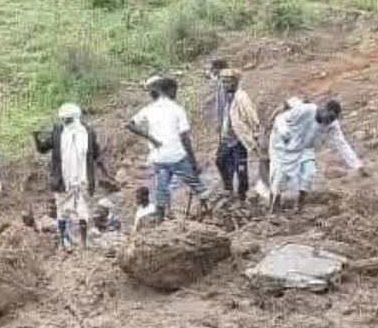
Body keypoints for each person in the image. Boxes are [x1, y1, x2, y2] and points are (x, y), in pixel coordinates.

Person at [127, 76, 209, 222]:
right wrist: (193, 162)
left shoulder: (149, 109)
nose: (175, 94)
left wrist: (150, 138)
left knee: (161, 188)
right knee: (196, 184)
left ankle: (159, 221)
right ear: (168, 90)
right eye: (174, 91)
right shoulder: (177, 109)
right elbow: (184, 138)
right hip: (176, 156)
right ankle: (208, 210)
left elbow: (130, 124)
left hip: (159, 158)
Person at [267, 97, 367, 213]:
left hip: (305, 148)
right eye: (329, 117)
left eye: (332, 119)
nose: (329, 122)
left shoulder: (332, 124)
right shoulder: (306, 110)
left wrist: (358, 165)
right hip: (283, 142)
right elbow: (281, 119)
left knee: (309, 174)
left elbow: (341, 144)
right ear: (323, 108)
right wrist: (284, 133)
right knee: (280, 174)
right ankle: (274, 208)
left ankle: (299, 205)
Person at [35, 104, 115, 248]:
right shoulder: (60, 132)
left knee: (81, 210)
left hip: (81, 180)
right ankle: (64, 242)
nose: (66, 122)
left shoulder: (87, 133)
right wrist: (36, 138)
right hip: (63, 180)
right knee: (63, 211)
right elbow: (42, 148)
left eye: (68, 119)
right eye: (64, 119)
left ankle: (80, 243)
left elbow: (96, 155)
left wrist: (106, 174)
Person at [215, 68, 263, 201]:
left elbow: (252, 117)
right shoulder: (228, 96)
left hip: (239, 138)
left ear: (235, 82)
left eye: (228, 82)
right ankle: (228, 188)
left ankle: (242, 193)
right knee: (220, 161)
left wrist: (255, 134)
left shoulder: (242, 97)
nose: (225, 85)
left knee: (240, 166)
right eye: (223, 82)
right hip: (228, 137)